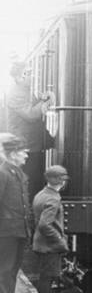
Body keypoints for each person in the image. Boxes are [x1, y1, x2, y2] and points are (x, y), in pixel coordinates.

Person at [2, 63, 52, 197]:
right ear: (19, 77)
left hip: (32, 144)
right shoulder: (15, 93)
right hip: (27, 145)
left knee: (34, 181)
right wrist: (47, 101)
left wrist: (42, 99)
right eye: (28, 73)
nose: (32, 76)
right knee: (30, 182)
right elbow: (30, 114)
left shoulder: (24, 89)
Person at [31, 164, 69, 293]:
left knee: (45, 277)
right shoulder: (53, 198)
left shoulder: (41, 194)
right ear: (62, 182)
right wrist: (59, 242)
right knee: (47, 278)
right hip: (49, 246)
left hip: (41, 243)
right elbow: (45, 225)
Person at [0, 134, 32, 293]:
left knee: (14, 267)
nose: (26, 156)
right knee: (4, 267)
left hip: (19, 229)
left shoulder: (18, 173)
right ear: (12, 154)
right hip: (6, 230)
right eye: (23, 153)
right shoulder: (2, 173)